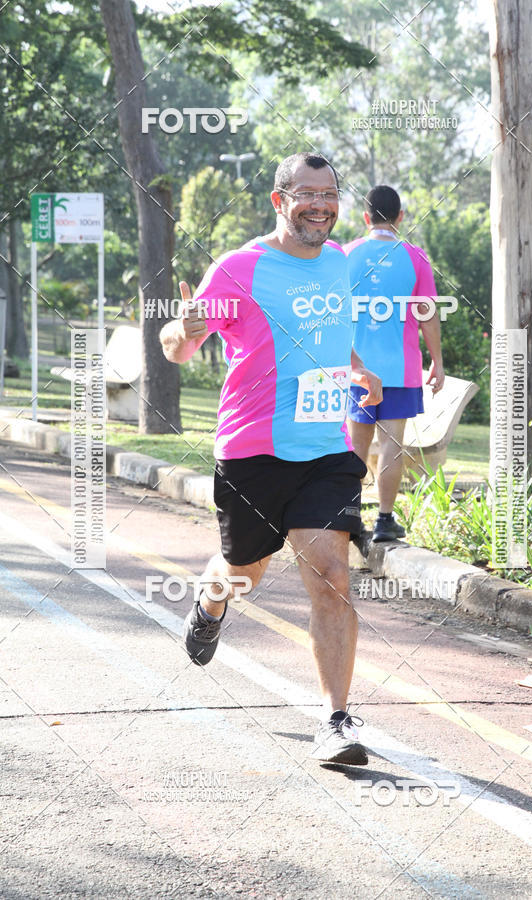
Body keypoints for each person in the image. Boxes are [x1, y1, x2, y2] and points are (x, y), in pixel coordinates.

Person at [160, 152, 382, 766]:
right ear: (279, 200)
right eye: (307, 193)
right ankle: (211, 603)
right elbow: (178, 349)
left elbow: (334, 334)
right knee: (244, 572)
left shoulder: (339, 262)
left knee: (332, 575)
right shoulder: (240, 268)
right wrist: (184, 327)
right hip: (252, 451)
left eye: (330, 194)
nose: (321, 204)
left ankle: (336, 721)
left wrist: (359, 369)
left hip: (325, 451)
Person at [344, 185, 445, 543]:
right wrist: (437, 361)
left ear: (365, 217)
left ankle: (350, 518)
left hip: (356, 370)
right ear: (400, 217)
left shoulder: (346, 255)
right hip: (400, 370)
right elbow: (429, 314)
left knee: (356, 445)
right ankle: (384, 521)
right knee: (391, 444)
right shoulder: (415, 257)